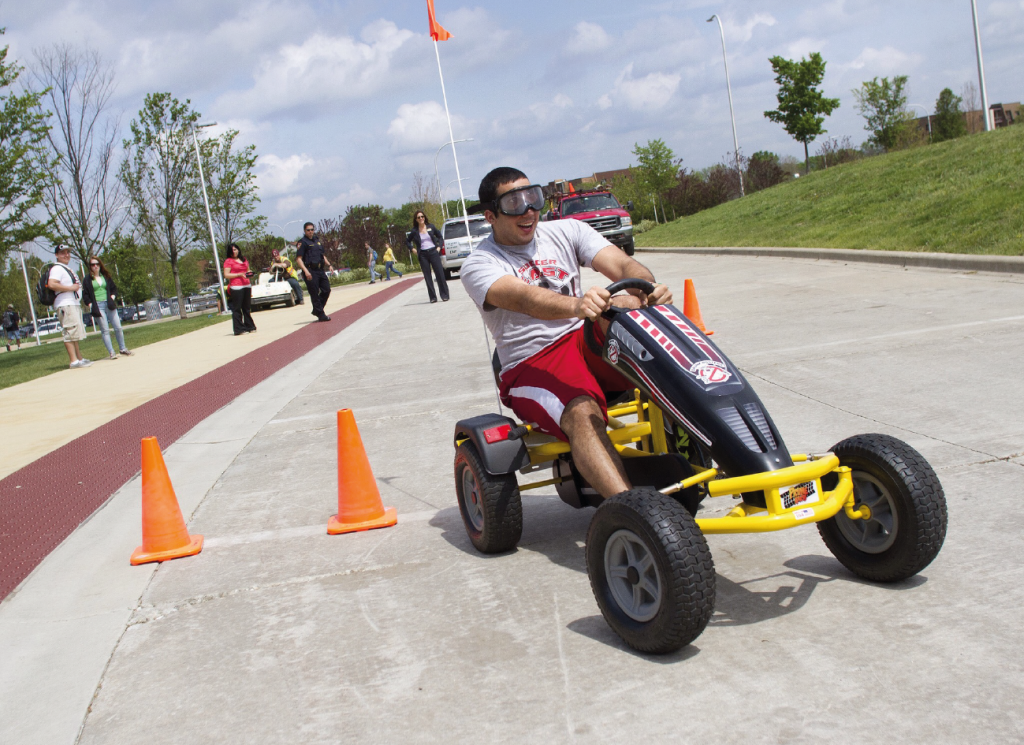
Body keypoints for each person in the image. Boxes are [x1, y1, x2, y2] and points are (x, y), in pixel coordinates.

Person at [460, 167, 673, 501]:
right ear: (491, 215)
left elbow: (622, 265)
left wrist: (646, 288)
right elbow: (524, 299)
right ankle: (632, 509)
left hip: (583, 340)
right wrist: (577, 306)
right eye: (514, 202)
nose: (528, 210)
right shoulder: (479, 264)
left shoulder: (567, 229)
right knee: (582, 412)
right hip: (533, 361)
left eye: (533, 197)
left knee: (629, 304)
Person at [46, 244, 92, 368]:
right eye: (62, 253)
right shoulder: (57, 269)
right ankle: (73, 360)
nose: (66, 255)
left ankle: (79, 358)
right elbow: (52, 284)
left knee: (74, 333)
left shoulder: (65, 268)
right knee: (69, 331)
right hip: (65, 304)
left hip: (72, 303)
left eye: (67, 252)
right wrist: (70, 288)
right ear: (56, 255)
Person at [81, 255, 133, 359]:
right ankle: (111, 352)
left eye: (97, 264)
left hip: (109, 304)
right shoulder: (87, 279)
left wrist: (112, 298)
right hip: (98, 306)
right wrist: (90, 304)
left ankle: (122, 348)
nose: (95, 266)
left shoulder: (105, 276)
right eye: (93, 265)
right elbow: (85, 295)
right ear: (90, 266)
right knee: (105, 330)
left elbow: (114, 289)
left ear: (100, 265)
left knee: (118, 327)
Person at [407, 210, 449, 303]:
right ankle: (433, 297)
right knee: (427, 276)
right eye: (419, 217)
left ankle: (444, 295)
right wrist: (412, 249)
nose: (421, 218)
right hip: (423, 254)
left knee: (440, 274)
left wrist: (439, 247)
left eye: (422, 216)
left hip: (433, 252)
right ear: (416, 219)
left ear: (424, 217)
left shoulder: (431, 227)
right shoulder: (414, 230)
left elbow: (440, 236)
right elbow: (407, 241)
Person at [295, 222, 334, 321]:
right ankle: (321, 314)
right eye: (308, 230)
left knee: (326, 289)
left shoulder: (317, 240)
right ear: (304, 231)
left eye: (312, 229)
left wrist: (329, 265)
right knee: (314, 293)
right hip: (310, 270)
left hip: (320, 269)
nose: (310, 232)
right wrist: (306, 271)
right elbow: (298, 259)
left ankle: (317, 310)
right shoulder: (302, 242)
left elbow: (322, 255)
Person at [223, 243, 257, 335]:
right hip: (236, 286)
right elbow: (226, 275)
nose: (235, 251)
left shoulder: (244, 259)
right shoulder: (228, 261)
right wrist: (238, 274)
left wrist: (249, 273)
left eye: (236, 249)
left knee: (246, 308)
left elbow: (247, 269)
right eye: (233, 250)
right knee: (237, 308)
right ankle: (239, 329)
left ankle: (249, 326)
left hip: (246, 285)